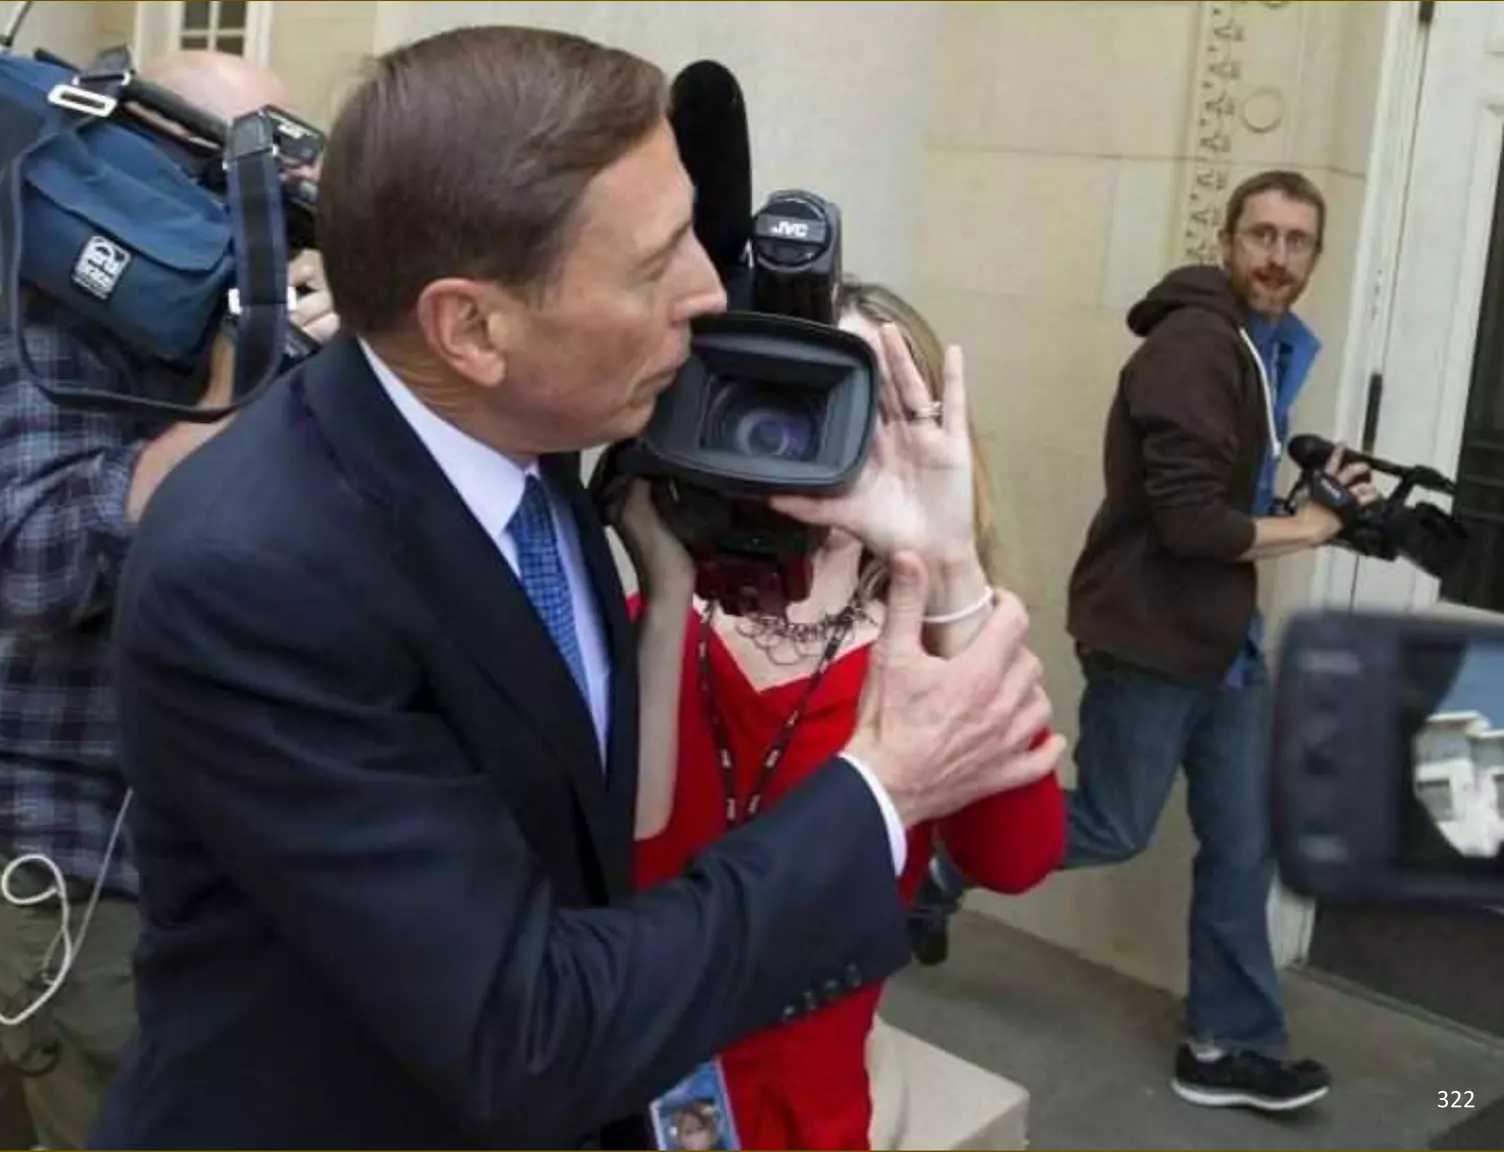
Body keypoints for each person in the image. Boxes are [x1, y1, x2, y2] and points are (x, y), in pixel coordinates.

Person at [95, 25, 1062, 1150]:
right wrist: (881, 789)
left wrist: (941, 558)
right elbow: (526, 1031)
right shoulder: (256, 578)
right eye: (656, 266)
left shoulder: (542, 433)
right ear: (472, 327)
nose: (710, 294)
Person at [0, 53, 337, 1151]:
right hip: (50, 845)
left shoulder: (261, 340)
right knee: (134, 1116)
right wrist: (235, 386)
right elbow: (40, 570)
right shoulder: (42, 335)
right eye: (260, 167)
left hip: (183, 838)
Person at [933, 169, 1377, 1113]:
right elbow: (1189, 524)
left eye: (1297, 242)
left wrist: (1312, 489)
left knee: (1245, 840)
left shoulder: (1262, 349)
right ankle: (937, 858)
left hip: (1226, 642)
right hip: (1152, 633)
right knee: (1111, 824)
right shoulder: (1193, 348)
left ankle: (1225, 1044)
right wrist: (1314, 529)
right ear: (1226, 241)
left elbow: (1232, 487)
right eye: (1261, 235)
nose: (1277, 257)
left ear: (1314, 257)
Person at [610, 278, 1066, 1149]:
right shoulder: (659, 621)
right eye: (794, 395)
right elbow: (630, 865)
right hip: (632, 1091)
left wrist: (949, 557)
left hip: (809, 1109)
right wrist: (667, 597)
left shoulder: (932, 654)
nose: (816, 435)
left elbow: (1017, 858)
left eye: (866, 408)